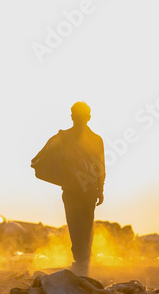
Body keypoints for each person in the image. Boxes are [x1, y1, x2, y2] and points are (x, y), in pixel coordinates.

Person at [60, 101, 105, 276]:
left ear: (72, 116)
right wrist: (100, 189)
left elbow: (56, 164)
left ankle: (81, 263)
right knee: (86, 227)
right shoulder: (96, 139)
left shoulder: (63, 138)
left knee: (76, 226)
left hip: (72, 189)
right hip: (87, 189)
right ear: (89, 117)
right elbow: (101, 166)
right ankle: (83, 263)